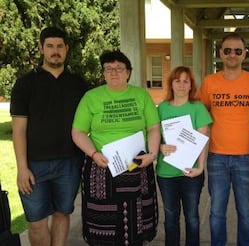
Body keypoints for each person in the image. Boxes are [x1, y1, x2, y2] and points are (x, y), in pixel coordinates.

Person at [71, 50, 160, 245]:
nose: (114, 73)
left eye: (119, 68)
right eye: (108, 69)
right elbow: (77, 132)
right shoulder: (91, 97)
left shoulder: (141, 95)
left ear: (128, 72)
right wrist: (93, 154)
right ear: (103, 73)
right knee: (103, 226)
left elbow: (153, 127)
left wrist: (152, 154)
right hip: (101, 166)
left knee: (137, 221)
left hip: (136, 166)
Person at [10, 27, 87, 246]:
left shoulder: (78, 84)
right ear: (41, 48)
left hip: (70, 162)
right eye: (50, 46)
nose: (55, 51)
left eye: (60, 46)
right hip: (34, 166)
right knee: (36, 222)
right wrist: (22, 168)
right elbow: (19, 129)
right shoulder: (25, 84)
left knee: (62, 213)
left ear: (66, 49)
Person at [198, 32, 249, 246]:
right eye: (227, 50)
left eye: (237, 51)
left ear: (244, 54)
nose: (232, 55)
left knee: (246, 212)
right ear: (220, 53)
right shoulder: (210, 82)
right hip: (217, 156)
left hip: (247, 157)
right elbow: (200, 116)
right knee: (217, 212)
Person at [156, 66, 212, 246]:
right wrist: (160, 147)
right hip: (166, 173)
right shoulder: (162, 108)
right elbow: (153, 135)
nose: (181, 85)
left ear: (191, 86)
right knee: (171, 218)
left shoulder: (197, 108)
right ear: (171, 84)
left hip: (191, 172)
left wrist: (201, 167)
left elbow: (203, 140)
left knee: (192, 217)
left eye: (185, 81)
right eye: (177, 81)